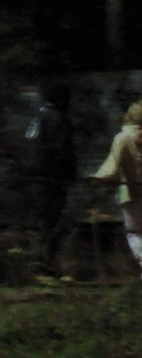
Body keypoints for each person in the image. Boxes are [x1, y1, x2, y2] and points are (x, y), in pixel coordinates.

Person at [92, 99, 142, 284]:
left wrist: (96, 180)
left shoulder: (123, 137)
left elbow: (111, 167)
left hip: (132, 192)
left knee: (135, 233)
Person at [18, 84, 77, 275]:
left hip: (32, 179)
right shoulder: (57, 119)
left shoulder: (37, 117)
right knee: (54, 222)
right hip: (51, 180)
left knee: (40, 221)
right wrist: (67, 176)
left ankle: (36, 264)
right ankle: (45, 264)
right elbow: (62, 151)